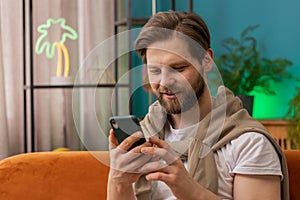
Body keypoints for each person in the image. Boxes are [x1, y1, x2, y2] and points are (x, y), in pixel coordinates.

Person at [107, 11, 288, 200]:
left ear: (207, 60)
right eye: (155, 70)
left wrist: (191, 191)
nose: (165, 81)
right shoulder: (142, 138)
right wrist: (118, 181)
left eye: (178, 68)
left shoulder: (249, 143)